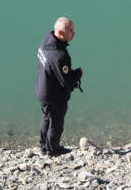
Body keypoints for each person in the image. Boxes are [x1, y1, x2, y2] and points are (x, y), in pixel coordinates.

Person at [35, 17, 83, 157]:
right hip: (53, 96)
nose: (74, 33)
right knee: (56, 122)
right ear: (61, 33)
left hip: (42, 89)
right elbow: (66, 81)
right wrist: (79, 73)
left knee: (46, 118)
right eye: (71, 31)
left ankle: (44, 146)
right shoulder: (59, 56)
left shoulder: (46, 42)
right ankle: (53, 150)